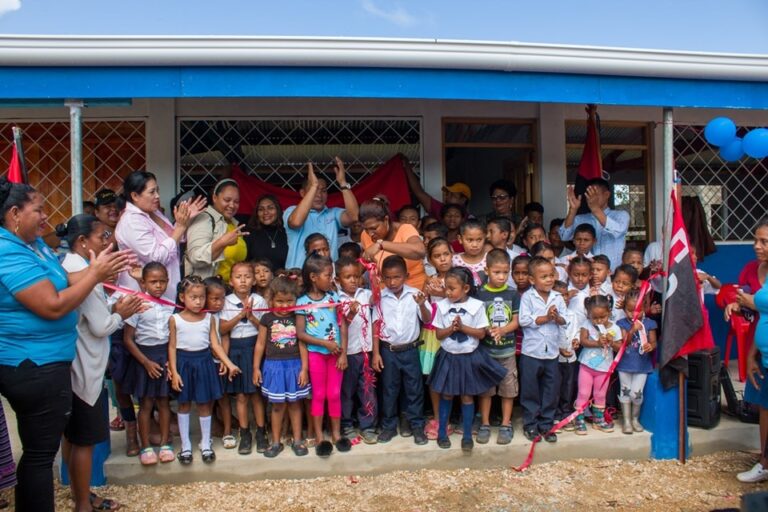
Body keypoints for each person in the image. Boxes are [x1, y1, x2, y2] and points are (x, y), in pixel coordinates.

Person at [0, 177, 130, 511]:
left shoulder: (33, 245)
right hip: (32, 364)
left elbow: (63, 279)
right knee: (40, 454)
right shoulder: (7, 252)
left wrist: (97, 271)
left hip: (52, 361)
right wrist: (94, 275)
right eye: (38, 210)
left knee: (45, 449)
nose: (46, 217)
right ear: (14, 214)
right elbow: (53, 305)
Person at [59, 214, 145, 512]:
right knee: (84, 440)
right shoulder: (84, 273)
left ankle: (77, 492)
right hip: (86, 369)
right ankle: (84, 503)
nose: (109, 243)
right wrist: (121, 313)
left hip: (76, 365)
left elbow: (90, 313)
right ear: (83, 242)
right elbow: (100, 326)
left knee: (72, 436)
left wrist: (112, 307)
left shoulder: (73, 266)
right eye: (103, 237)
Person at [430, 267, 507, 452]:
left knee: (467, 396)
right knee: (446, 394)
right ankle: (442, 432)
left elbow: (481, 333)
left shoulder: (477, 306)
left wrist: (463, 328)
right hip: (449, 356)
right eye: (446, 288)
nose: (447, 292)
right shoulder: (442, 306)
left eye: (452, 288)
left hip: (468, 357)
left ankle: (466, 435)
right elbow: (439, 334)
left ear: (465, 288)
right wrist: (452, 328)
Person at [169, 276, 239, 465]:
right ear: (182, 297)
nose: (198, 301)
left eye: (201, 297)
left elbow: (215, 344)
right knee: (184, 405)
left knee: (204, 404)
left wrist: (229, 363)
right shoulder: (175, 319)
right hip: (184, 364)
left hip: (204, 363)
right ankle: (185, 446)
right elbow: (172, 347)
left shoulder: (209, 319)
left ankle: (206, 444)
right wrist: (174, 372)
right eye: (193, 297)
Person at [116, 170, 206, 302]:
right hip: (142, 296)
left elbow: (173, 239)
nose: (157, 196)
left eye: (157, 190)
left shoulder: (154, 212)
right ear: (135, 195)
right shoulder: (131, 221)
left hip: (167, 289)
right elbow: (157, 258)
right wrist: (180, 227)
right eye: (152, 192)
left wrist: (184, 219)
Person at [372, 255, 431, 445]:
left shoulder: (415, 295)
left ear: (406, 276)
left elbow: (427, 319)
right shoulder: (380, 298)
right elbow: (375, 325)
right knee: (389, 390)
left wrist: (422, 305)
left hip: (410, 350)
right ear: (382, 278)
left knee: (414, 389)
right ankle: (389, 426)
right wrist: (376, 353)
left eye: (396, 277)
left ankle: (416, 425)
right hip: (388, 351)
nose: (392, 282)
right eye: (388, 278)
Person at [122, 262, 176, 466]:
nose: (158, 286)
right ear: (143, 283)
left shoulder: (170, 304)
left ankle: (165, 444)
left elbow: (173, 337)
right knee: (145, 404)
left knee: (163, 402)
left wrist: (171, 362)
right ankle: (145, 446)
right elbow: (128, 339)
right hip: (144, 358)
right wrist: (146, 363)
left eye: (162, 281)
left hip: (164, 358)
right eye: (153, 282)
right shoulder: (137, 305)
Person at [296, 253, 350, 457]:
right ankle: (320, 437)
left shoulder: (333, 298)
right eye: (328, 275)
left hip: (336, 355)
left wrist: (343, 353)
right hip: (316, 355)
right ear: (313, 277)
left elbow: (342, 325)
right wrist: (324, 343)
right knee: (319, 395)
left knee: (334, 394)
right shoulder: (302, 302)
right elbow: (301, 333)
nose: (331, 279)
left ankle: (336, 434)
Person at [727, 219, 768, 482]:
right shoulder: (757, 269)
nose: (756, 246)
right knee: (765, 406)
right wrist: (753, 353)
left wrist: (752, 302)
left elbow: (758, 306)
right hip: (763, 354)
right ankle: (765, 462)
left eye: (764, 241)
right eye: (756, 240)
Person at [253, 275, 312, 457]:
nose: (285, 306)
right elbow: (260, 344)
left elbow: (302, 343)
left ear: (296, 300)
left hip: (295, 366)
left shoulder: (297, 317)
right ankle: (276, 442)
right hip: (274, 367)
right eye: (280, 301)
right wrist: (256, 368)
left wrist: (304, 368)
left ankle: (297, 440)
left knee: (295, 405)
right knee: (277, 406)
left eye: (289, 301)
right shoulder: (267, 318)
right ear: (271, 300)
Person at [219, 261, 269, 455]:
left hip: (254, 347)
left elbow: (265, 329)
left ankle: (261, 432)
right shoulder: (226, 301)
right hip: (235, 350)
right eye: (238, 277)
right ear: (231, 281)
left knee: (256, 394)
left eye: (247, 277)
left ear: (254, 280)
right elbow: (222, 329)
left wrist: (252, 316)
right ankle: (245, 433)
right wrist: (240, 316)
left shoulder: (259, 300)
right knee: (241, 395)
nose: (243, 281)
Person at [518, 256, 567, 442]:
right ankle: (530, 424)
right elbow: (524, 320)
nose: (549, 279)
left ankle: (546, 424)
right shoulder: (528, 297)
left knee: (551, 389)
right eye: (544, 276)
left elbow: (565, 320)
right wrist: (546, 318)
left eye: (551, 275)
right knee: (530, 390)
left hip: (552, 352)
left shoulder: (558, 297)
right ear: (532, 279)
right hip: (531, 352)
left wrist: (557, 318)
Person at [476, 249, 520, 445]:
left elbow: (516, 321)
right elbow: (478, 319)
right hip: (486, 352)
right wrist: (488, 329)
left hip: (507, 352)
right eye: (497, 272)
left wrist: (502, 330)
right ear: (487, 270)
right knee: (486, 390)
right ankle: (485, 424)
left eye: (505, 272)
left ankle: (505, 424)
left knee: (508, 389)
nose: (501, 277)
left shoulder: (513, 293)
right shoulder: (480, 294)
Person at [284, 158, 359, 269]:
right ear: (303, 193)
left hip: (327, 275)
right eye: (314, 191)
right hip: (298, 275)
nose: (319, 195)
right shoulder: (291, 211)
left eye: (323, 191)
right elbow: (296, 222)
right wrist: (313, 186)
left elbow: (354, 217)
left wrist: (343, 183)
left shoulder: (333, 213)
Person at [335, 257, 377, 445]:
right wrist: (351, 313)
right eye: (347, 277)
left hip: (365, 352)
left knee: (367, 391)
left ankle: (367, 426)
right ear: (338, 280)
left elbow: (377, 298)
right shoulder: (336, 299)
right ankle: (346, 424)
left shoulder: (365, 294)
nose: (353, 280)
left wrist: (373, 275)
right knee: (346, 391)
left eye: (356, 276)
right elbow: (340, 325)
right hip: (348, 353)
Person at [185, 178, 248, 281]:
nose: (232, 205)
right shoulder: (204, 219)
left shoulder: (234, 224)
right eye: (227, 200)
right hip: (210, 288)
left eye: (236, 201)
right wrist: (222, 242)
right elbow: (195, 258)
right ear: (214, 198)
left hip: (231, 288)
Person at [559, 179, 630, 271]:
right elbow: (564, 236)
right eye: (588, 194)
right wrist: (573, 210)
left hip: (612, 273)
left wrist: (595, 209)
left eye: (594, 194)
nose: (591, 198)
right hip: (585, 275)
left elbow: (618, 232)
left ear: (607, 195)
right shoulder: (580, 219)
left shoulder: (621, 215)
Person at [421, 238, 452, 440]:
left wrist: (441, 292)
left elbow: (464, 298)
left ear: (452, 254)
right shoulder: (429, 280)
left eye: (446, 254)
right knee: (433, 377)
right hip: (433, 333)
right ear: (431, 260)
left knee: (451, 377)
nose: (443, 259)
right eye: (437, 256)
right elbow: (424, 305)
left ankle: (450, 417)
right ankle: (438, 417)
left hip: (453, 332)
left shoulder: (460, 277)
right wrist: (426, 293)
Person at [360, 196, 427, 290]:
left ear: (386, 220)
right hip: (384, 294)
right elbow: (364, 264)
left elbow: (420, 251)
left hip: (415, 293)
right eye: (366, 229)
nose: (370, 233)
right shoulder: (365, 235)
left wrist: (381, 245)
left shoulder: (405, 229)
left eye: (374, 228)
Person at [614, 288, 657, 435]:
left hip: (642, 365)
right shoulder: (622, 323)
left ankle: (635, 419)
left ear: (645, 307)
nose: (633, 314)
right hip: (625, 364)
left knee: (637, 393)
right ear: (624, 308)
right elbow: (624, 342)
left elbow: (654, 342)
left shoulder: (650, 323)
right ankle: (626, 421)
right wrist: (633, 329)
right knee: (624, 391)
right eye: (629, 310)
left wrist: (650, 346)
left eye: (637, 310)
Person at [204, 276, 237, 450]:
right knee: (207, 400)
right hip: (205, 363)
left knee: (224, 398)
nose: (219, 303)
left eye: (222, 298)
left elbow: (225, 337)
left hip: (220, 362)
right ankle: (206, 435)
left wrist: (224, 359)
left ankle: (227, 431)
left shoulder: (222, 315)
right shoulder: (201, 316)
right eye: (214, 299)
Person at [402, 154, 472, 220]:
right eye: (447, 194)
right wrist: (407, 167)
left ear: (463, 200)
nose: (447, 197)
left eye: (452, 195)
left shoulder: (469, 219)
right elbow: (419, 192)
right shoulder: (440, 209)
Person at [245, 194, 288, 270]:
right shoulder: (249, 234)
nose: (265, 212)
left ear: (278, 210)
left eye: (270, 208)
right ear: (257, 213)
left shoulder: (287, 233)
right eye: (261, 209)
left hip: (283, 277)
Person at [451, 219, 487, 287]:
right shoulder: (453, 260)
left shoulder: (489, 259)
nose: (475, 245)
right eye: (470, 240)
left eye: (479, 240)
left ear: (485, 238)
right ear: (460, 239)